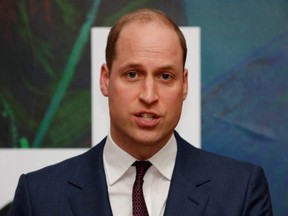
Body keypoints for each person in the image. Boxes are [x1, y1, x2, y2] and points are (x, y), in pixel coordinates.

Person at [9, 8, 273, 216]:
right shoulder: (39, 196)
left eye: (165, 76)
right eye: (132, 74)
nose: (149, 95)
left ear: (185, 85)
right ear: (105, 79)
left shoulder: (241, 191)